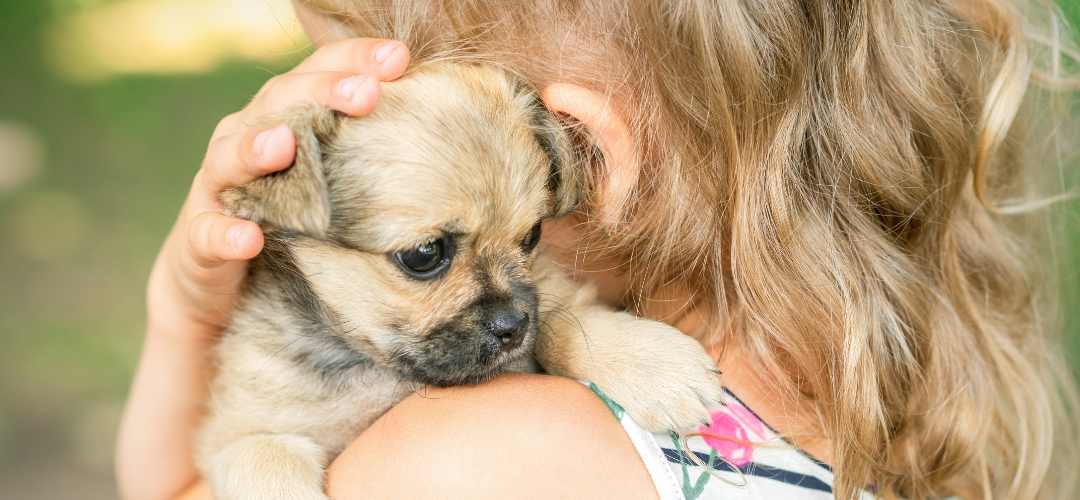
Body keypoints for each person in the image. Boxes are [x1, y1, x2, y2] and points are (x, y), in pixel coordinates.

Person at [116, 1, 1080, 498]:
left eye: (524, 239)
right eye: (428, 257)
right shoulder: (872, 379)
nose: (508, 305)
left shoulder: (475, 455)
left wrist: (179, 316)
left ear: (578, 151)